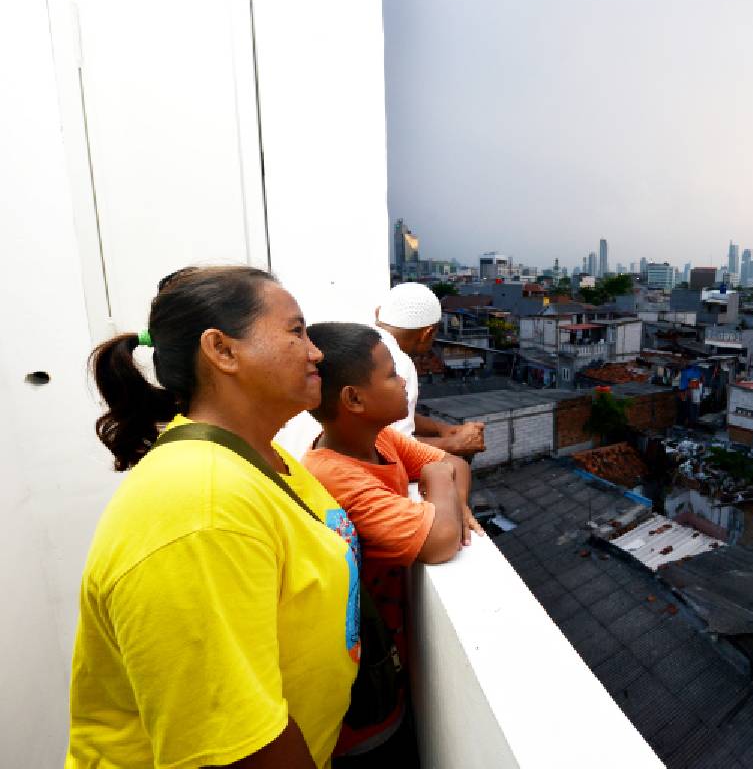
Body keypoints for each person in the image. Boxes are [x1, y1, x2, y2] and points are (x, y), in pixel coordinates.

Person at [69, 266, 360, 769]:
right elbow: (234, 752)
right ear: (222, 350)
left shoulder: (261, 459)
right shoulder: (199, 509)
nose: (316, 352)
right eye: (296, 331)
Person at [301, 322, 481, 762]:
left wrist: (451, 496)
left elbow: (456, 462)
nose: (404, 382)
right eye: (390, 375)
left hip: (392, 658)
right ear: (354, 399)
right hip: (363, 696)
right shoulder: (335, 475)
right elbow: (440, 536)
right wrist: (441, 486)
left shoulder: (378, 439)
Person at [374, 282, 485, 456]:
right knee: (454, 467)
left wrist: (442, 429)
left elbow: (394, 419)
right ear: (427, 333)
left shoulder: (365, 340)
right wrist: (453, 444)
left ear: (378, 313)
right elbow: (393, 447)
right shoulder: (399, 363)